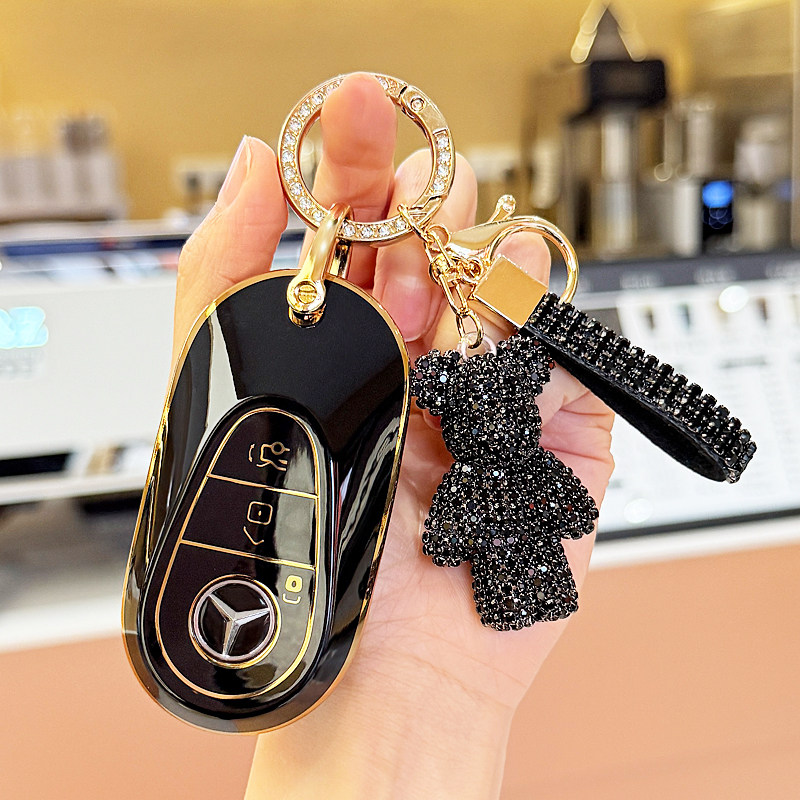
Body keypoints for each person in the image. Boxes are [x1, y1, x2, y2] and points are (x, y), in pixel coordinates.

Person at [173, 73, 614, 799]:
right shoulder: (465, 475)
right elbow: (457, 531)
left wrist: (427, 701)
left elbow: (491, 523)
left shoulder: (483, 467)